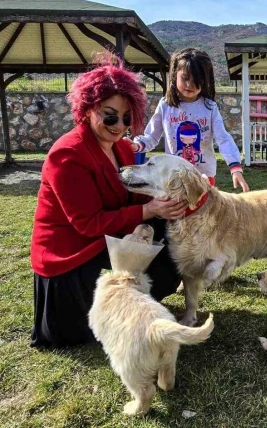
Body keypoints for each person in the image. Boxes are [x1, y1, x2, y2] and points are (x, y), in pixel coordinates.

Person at [30, 57, 187, 349]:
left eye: (127, 118)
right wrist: (148, 210)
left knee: (172, 247)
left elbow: (135, 194)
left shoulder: (124, 148)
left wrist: (164, 199)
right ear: (88, 108)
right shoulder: (67, 155)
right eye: (110, 116)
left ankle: (139, 307)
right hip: (72, 249)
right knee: (80, 334)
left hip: (110, 236)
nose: (120, 126)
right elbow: (86, 223)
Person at [131, 48, 249, 191]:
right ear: (174, 75)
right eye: (185, 78)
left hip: (203, 177)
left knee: (203, 212)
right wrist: (137, 145)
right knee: (176, 212)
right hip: (173, 177)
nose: (190, 84)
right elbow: (151, 136)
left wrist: (235, 167)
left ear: (206, 81)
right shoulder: (165, 106)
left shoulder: (210, 108)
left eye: (197, 80)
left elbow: (223, 139)